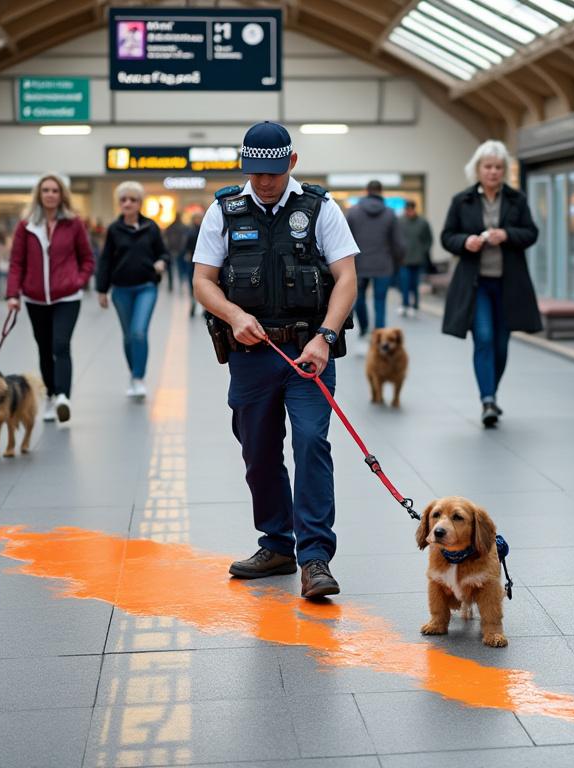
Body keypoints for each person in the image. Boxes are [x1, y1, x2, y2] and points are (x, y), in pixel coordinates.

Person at [192, 121, 359, 599]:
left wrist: (326, 337)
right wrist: (233, 313)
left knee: (311, 444)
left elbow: (345, 277)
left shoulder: (320, 207)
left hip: (309, 353)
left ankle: (315, 558)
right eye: (255, 172)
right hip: (251, 354)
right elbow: (203, 280)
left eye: (273, 172)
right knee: (258, 452)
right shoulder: (224, 209)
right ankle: (277, 544)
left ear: (292, 163)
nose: (264, 182)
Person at [441, 140, 542, 428]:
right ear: (478, 169)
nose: (493, 172)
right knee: (483, 338)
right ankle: (488, 399)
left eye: (498, 167)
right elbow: (447, 237)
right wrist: (466, 242)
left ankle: (491, 392)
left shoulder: (516, 199)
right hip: (476, 284)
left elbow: (531, 234)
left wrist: (507, 235)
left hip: (509, 283)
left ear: (505, 170)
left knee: (501, 343)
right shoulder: (462, 200)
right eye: (488, 167)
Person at [6, 173, 95, 424]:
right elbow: (16, 262)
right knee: (44, 349)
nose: (50, 195)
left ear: (62, 195)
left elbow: (87, 258)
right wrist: (13, 294)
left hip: (67, 296)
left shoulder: (74, 223)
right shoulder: (25, 226)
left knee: (60, 345)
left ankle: (63, 398)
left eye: (55, 190)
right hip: (35, 298)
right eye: (45, 190)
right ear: (39, 194)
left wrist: (78, 280)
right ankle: (50, 394)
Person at [96, 181, 170, 399]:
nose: (127, 203)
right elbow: (105, 261)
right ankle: (133, 374)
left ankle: (138, 378)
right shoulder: (113, 230)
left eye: (132, 199)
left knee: (139, 332)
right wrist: (101, 290)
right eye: (123, 199)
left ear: (140, 203)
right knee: (128, 336)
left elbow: (164, 253)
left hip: (146, 287)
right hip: (121, 290)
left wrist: (161, 263)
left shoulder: (151, 227)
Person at [345, 180, 402, 352]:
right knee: (380, 301)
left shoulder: (353, 213)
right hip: (383, 265)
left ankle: (364, 331)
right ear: (380, 191)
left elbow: (345, 240)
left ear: (367, 191)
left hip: (359, 265)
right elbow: (398, 244)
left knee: (359, 298)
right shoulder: (390, 213)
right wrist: (396, 263)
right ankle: (380, 338)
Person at [397, 200, 432, 317]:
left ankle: (415, 306)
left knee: (415, 284)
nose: (409, 212)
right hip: (404, 260)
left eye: (411, 209)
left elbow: (428, 239)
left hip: (417, 259)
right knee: (404, 284)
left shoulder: (423, 222)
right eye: (407, 210)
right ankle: (405, 304)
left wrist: (423, 251)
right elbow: (396, 239)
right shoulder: (400, 222)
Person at [180, 212, 201, 316]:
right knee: (192, 282)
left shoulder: (203, 229)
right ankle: (193, 303)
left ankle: (204, 307)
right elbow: (186, 245)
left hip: (202, 260)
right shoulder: (190, 231)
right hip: (192, 260)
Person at [163, 216, 188, 292]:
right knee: (180, 268)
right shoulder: (183, 227)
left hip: (170, 250)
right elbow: (184, 239)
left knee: (170, 269)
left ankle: (171, 285)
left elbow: (165, 238)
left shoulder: (169, 227)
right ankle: (180, 283)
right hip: (180, 250)